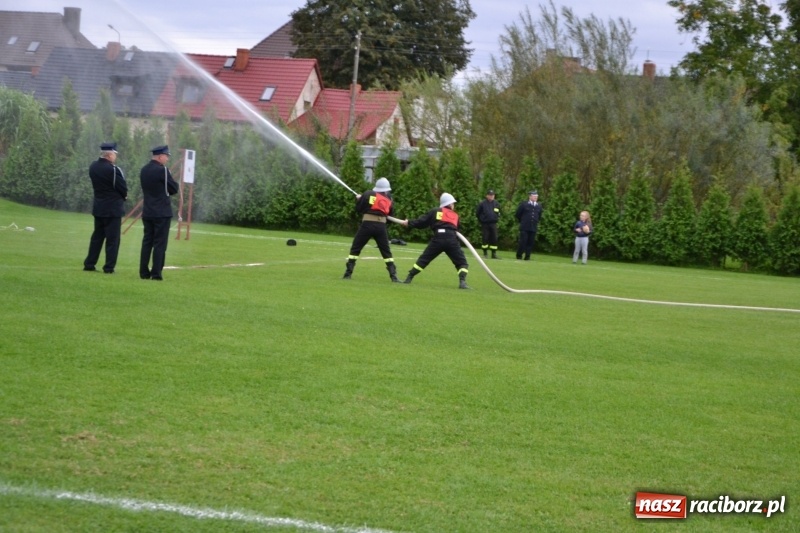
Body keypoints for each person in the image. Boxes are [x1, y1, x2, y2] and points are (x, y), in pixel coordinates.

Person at [400, 192, 470, 289]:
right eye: (453, 203)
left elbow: (422, 222)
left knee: (424, 259)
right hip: (451, 240)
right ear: (449, 204)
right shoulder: (455, 216)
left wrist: (409, 223)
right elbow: (458, 231)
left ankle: (409, 277)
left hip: (438, 239)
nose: (453, 205)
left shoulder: (436, 211)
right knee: (462, 263)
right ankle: (462, 282)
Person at [343, 177, 400, 282]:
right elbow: (390, 215)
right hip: (381, 227)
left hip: (367, 225)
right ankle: (394, 277)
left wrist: (359, 199)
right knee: (386, 252)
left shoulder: (368, 194)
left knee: (356, 248)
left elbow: (359, 209)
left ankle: (348, 274)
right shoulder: (389, 199)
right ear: (387, 189)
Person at [83, 142, 128, 274]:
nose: (115, 157)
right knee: (113, 240)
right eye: (114, 154)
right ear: (109, 155)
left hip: (99, 207)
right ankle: (109, 267)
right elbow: (122, 188)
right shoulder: (113, 170)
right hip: (113, 209)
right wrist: (124, 196)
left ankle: (89, 263)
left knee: (97, 237)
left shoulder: (93, 167)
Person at [139, 145, 179, 281]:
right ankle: (156, 273)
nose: (167, 159)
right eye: (166, 156)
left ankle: (143, 272)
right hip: (162, 211)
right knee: (160, 244)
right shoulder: (163, 171)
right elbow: (173, 188)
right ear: (160, 156)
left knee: (147, 242)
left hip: (148, 210)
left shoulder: (144, 170)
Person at [515, 190, 543, 260]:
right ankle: (519, 255)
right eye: (534, 196)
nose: (535, 198)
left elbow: (539, 216)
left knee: (530, 242)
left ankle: (527, 256)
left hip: (533, 227)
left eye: (536, 197)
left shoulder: (538, 206)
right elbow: (518, 214)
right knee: (523, 241)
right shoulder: (524, 204)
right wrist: (523, 221)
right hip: (525, 226)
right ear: (530, 196)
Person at [476, 189, 501, 259]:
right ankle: (485, 253)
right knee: (485, 238)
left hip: (493, 224)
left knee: (494, 238)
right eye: (490, 195)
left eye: (493, 195)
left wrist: (496, 218)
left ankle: (494, 254)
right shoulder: (482, 203)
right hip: (485, 224)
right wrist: (482, 220)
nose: (491, 196)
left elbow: (498, 212)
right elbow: (477, 213)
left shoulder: (496, 203)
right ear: (487, 196)